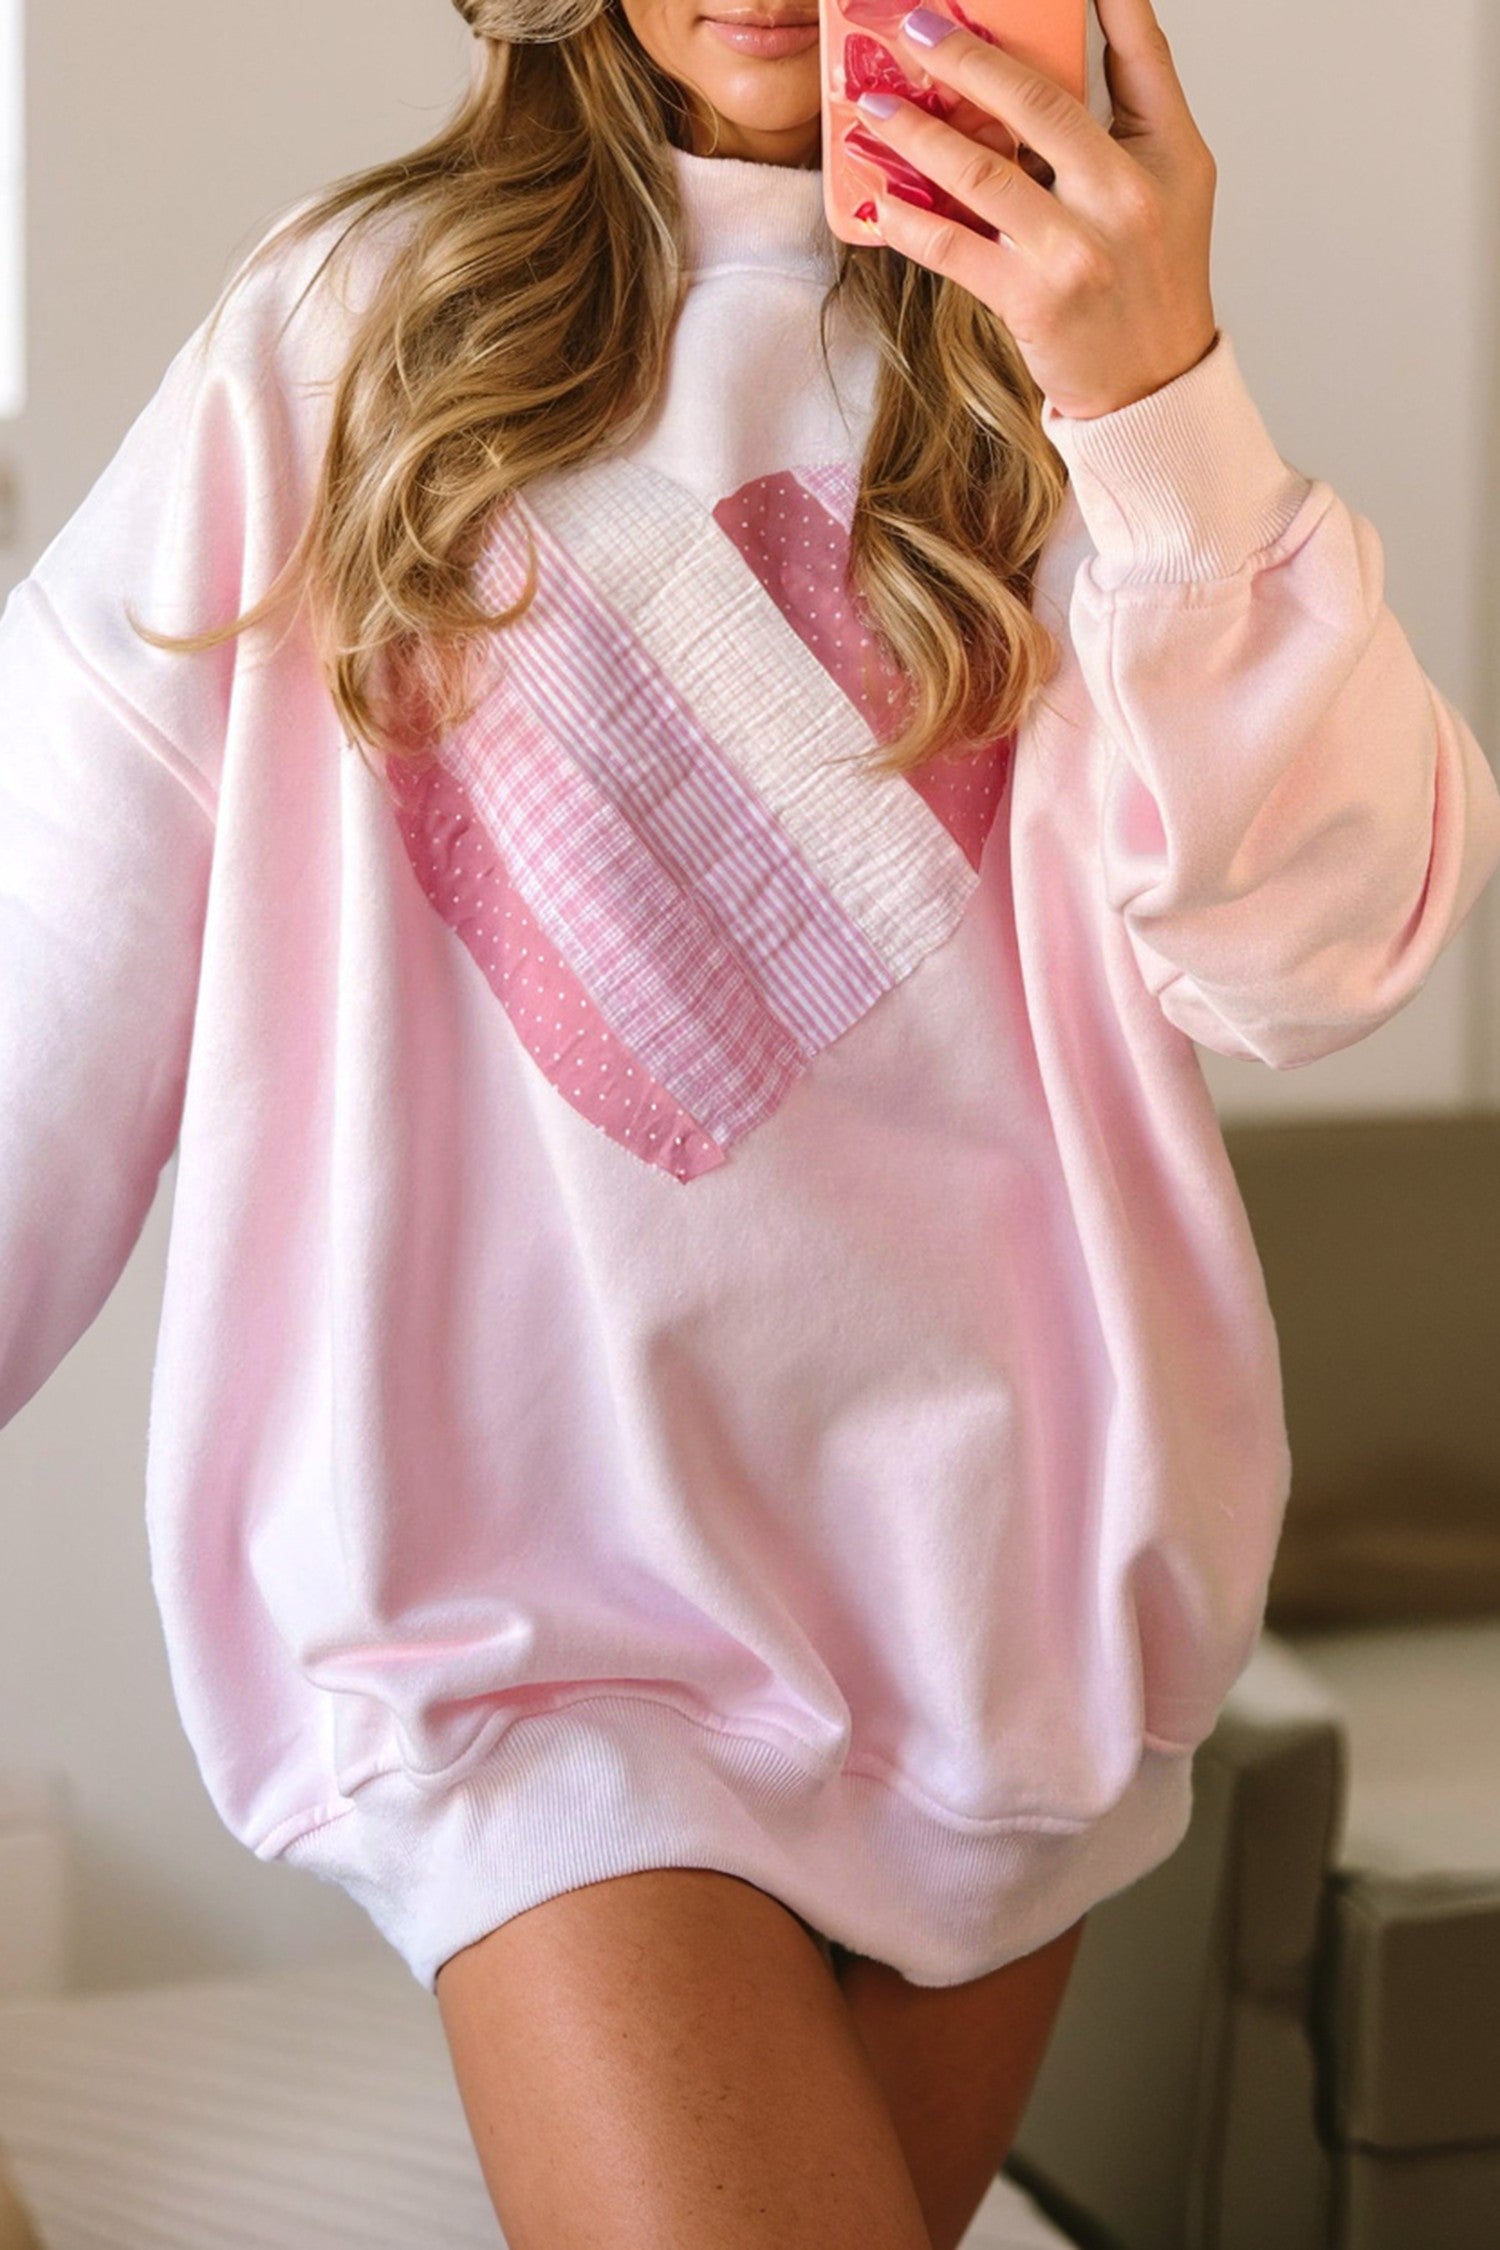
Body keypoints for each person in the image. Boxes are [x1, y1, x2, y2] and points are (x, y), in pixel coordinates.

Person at [3, 0, 1498, 2241]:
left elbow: (1331, 952)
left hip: (1007, 1616)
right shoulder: (347, 330)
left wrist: (1162, 400)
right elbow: (56, 923)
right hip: (545, 1637)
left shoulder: (1069, 371)